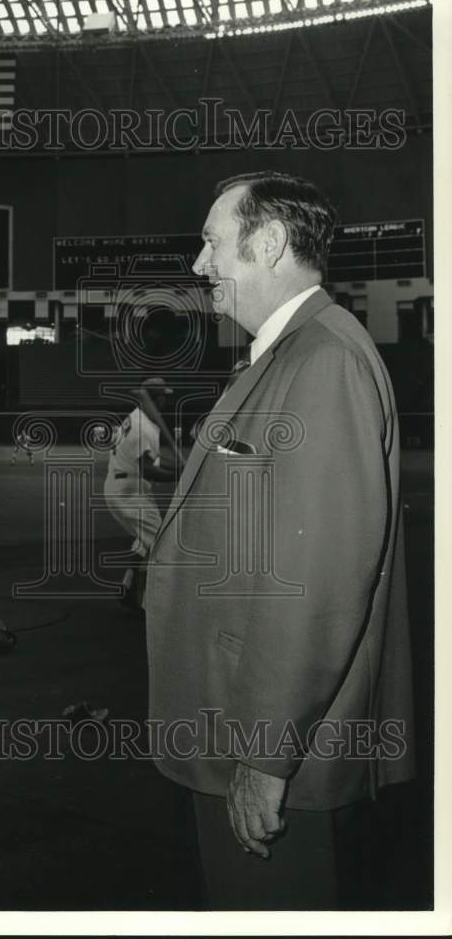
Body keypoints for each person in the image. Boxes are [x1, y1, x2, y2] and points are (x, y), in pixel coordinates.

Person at [144, 172, 415, 909]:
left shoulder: (321, 362)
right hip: (249, 728)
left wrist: (265, 757)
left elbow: (319, 582)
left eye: (211, 243)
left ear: (265, 245)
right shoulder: (287, 353)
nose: (199, 267)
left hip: (276, 749)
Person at [103, 378, 178, 607]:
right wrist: (178, 476)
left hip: (127, 488)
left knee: (144, 542)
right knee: (162, 545)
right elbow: (148, 470)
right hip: (129, 493)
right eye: (162, 397)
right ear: (157, 399)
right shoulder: (143, 428)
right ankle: (150, 606)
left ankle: (127, 587)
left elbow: (152, 460)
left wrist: (180, 467)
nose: (165, 401)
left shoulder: (138, 418)